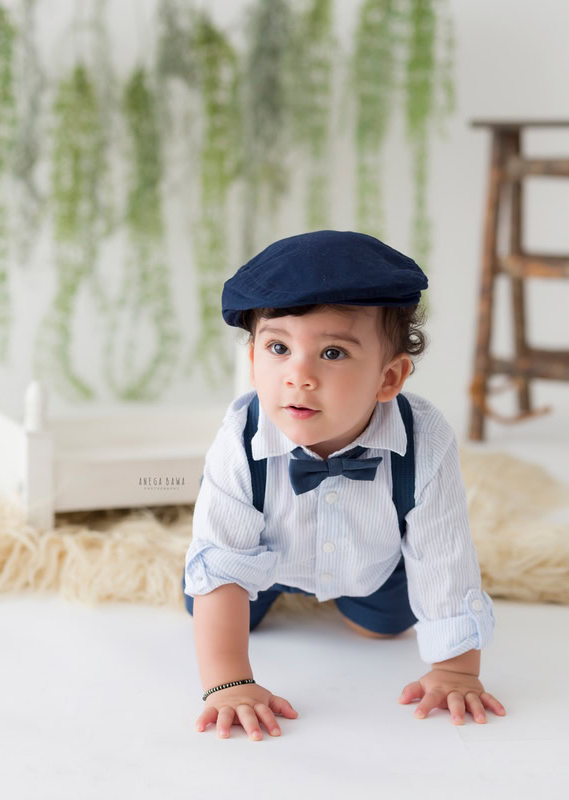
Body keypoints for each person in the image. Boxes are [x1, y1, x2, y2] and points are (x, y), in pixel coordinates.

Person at [182, 230, 506, 741]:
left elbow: (444, 556)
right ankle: (253, 612)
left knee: (382, 628)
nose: (299, 375)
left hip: (370, 564)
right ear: (251, 361)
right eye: (278, 347)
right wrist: (229, 682)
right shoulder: (239, 439)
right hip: (267, 559)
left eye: (332, 353)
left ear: (389, 377)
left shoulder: (425, 440)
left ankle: (360, 603)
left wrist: (456, 669)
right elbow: (223, 560)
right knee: (214, 604)